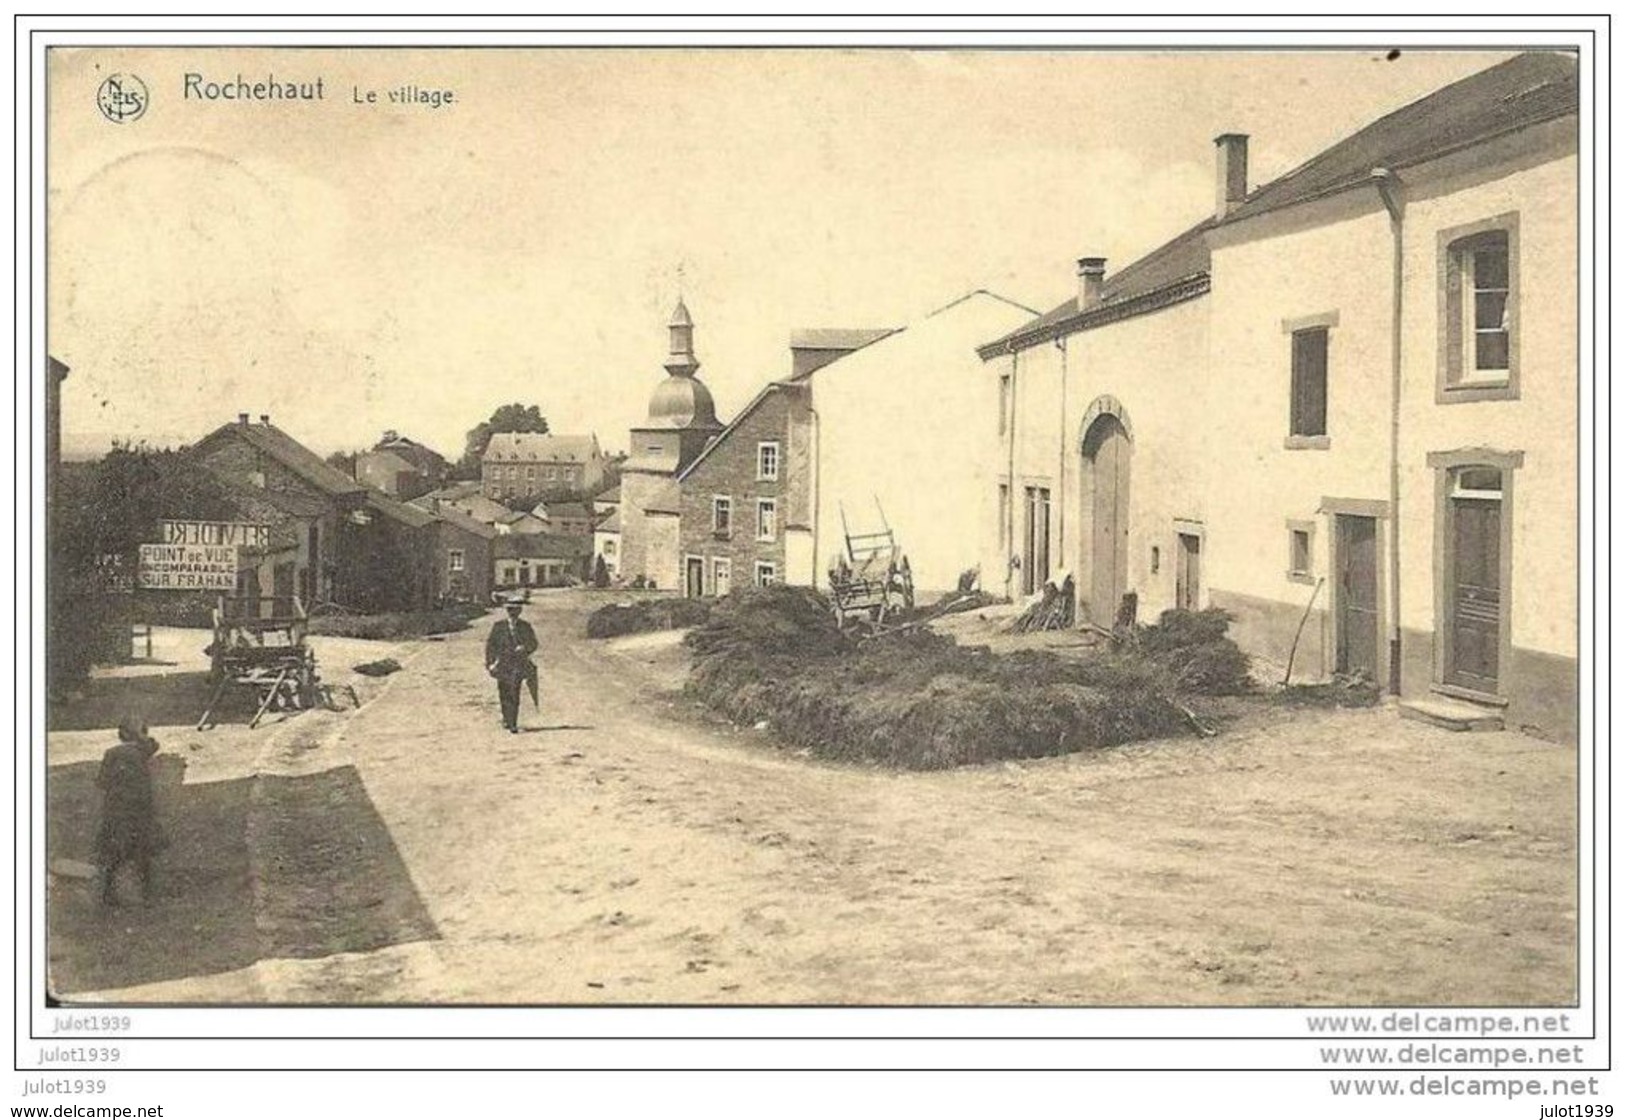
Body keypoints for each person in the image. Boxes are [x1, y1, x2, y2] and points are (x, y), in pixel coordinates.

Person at [94, 719, 164, 908]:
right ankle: (147, 894)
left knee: (115, 853)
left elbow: (101, 782)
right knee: (142, 853)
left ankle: (108, 892)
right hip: (139, 811)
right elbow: (154, 744)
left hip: (116, 811)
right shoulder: (142, 753)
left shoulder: (111, 753)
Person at [484, 595, 538, 733]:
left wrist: (525, 647)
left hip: (518, 664)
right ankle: (507, 718)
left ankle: (513, 722)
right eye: (510, 610)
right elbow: (491, 646)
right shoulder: (499, 627)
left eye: (516, 610)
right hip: (502, 664)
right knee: (504, 692)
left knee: (515, 692)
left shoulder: (525, 626)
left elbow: (533, 643)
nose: (513, 613)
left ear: (519, 611)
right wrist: (490, 664)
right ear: (507, 611)